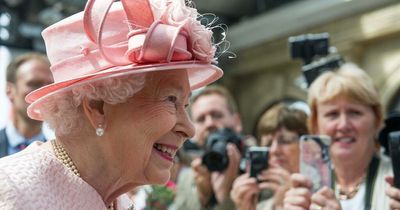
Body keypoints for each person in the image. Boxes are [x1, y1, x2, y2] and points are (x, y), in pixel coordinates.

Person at [0, 0, 224, 209]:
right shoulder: (11, 191)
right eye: (170, 99)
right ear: (98, 106)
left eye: (185, 105)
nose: (190, 129)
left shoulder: (117, 201)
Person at [283, 63, 392, 210]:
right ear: (315, 125)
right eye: (332, 114)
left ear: (377, 120)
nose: (343, 125)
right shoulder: (307, 189)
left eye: (355, 112)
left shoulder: (395, 183)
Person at [173, 85, 245, 210]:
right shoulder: (188, 178)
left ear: (237, 121)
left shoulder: (256, 170)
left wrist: (226, 197)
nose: (210, 123)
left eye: (217, 115)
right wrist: (202, 197)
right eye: (201, 119)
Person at [230, 102, 308, 210]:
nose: (274, 150)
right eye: (268, 144)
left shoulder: (322, 199)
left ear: (306, 147)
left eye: (284, 141)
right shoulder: (260, 206)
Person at [0, 53, 53, 158]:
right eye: (34, 84)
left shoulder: (60, 158)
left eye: (51, 85)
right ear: (10, 91)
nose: (45, 92)